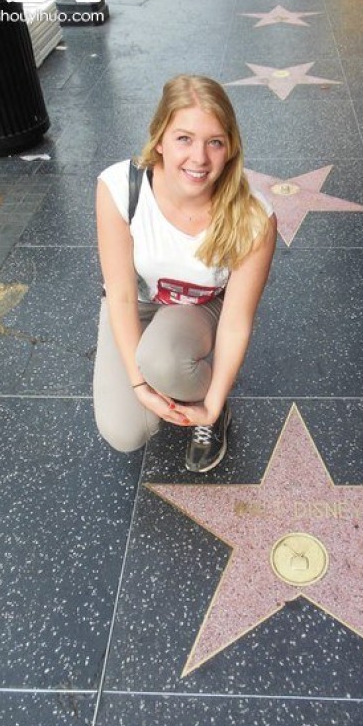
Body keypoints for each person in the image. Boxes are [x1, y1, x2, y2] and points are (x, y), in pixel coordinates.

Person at [93, 75, 277, 472]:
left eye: (215, 141)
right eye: (184, 139)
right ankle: (163, 377)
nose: (200, 158)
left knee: (164, 360)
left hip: (199, 309)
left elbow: (235, 323)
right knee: (125, 432)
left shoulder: (253, 217)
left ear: (230, 148)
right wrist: (139, 386)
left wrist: (210, 404)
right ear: (159, 138)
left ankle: (209, 402)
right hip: (136, 305)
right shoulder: (119, 188)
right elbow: (121, 295)